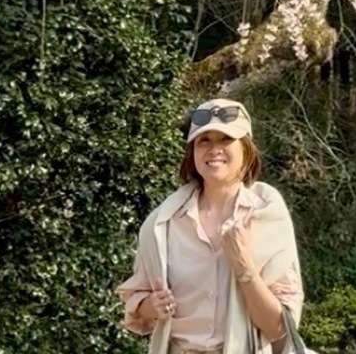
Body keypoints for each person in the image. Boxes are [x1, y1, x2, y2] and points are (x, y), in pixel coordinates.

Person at [116, 98, 304, 354]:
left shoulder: (267, 217)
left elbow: (279, 329)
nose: (214, 149)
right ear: (192, 153)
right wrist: (151, 305)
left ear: (246, 150)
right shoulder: (162, 224)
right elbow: (136, 309)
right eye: (204, 140)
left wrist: (244, 267)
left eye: (226, 139)